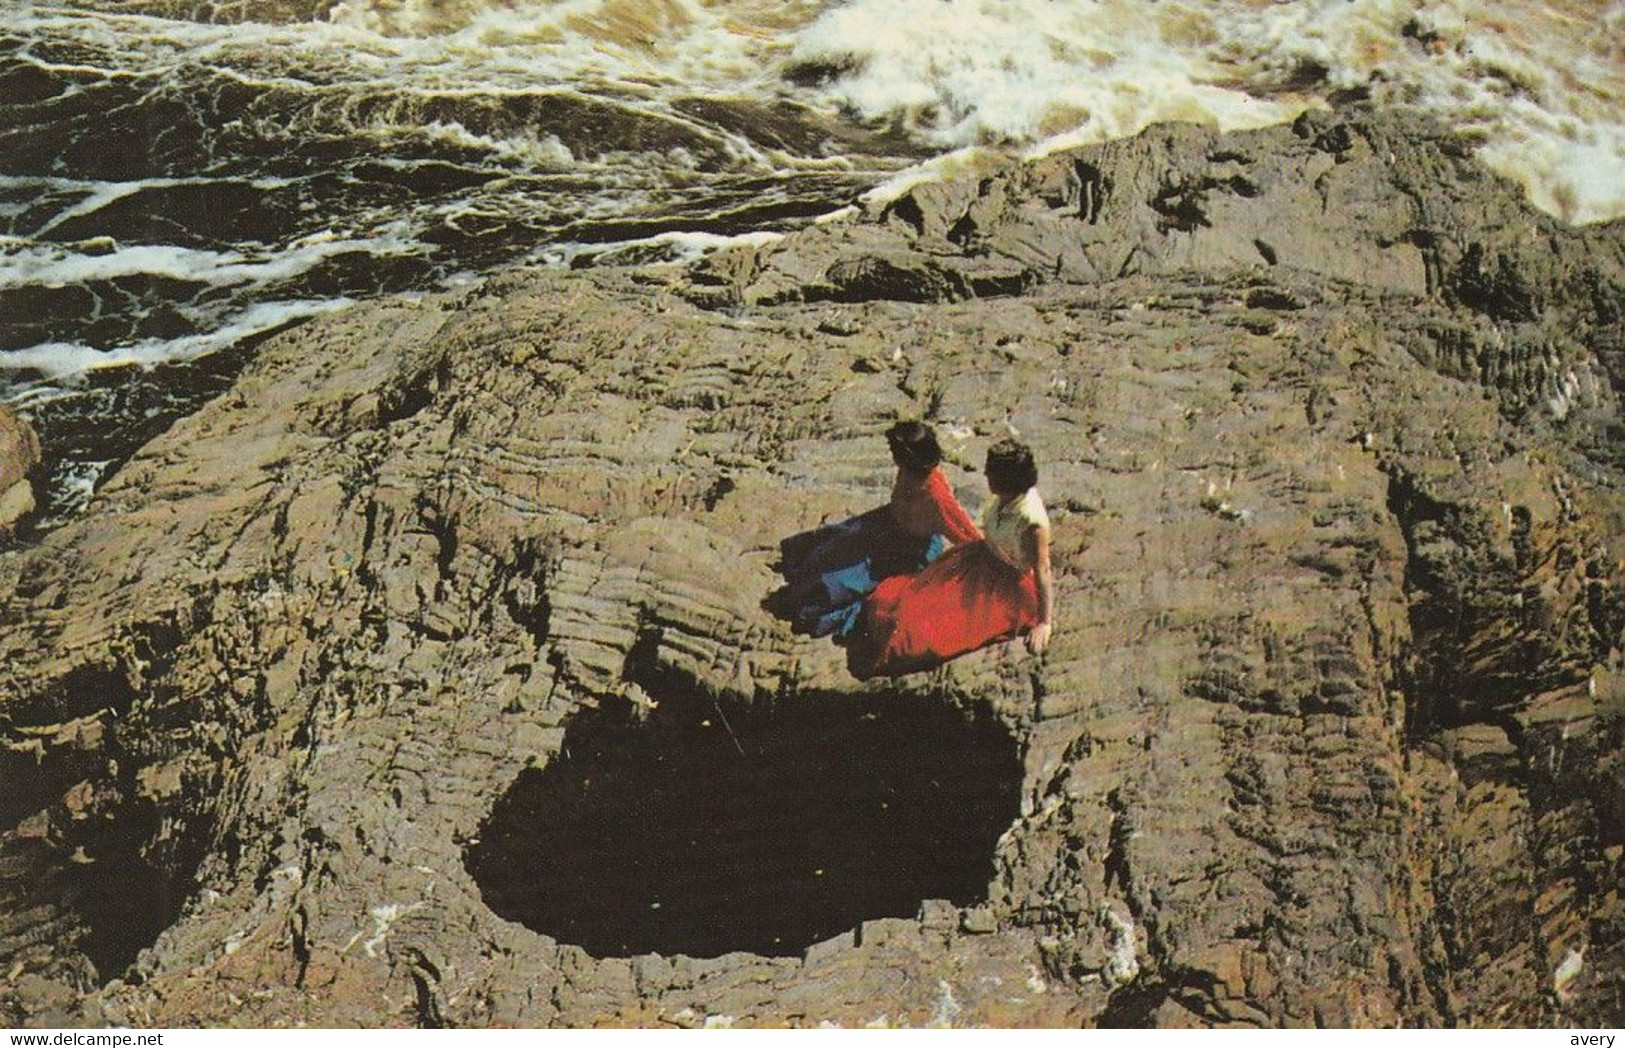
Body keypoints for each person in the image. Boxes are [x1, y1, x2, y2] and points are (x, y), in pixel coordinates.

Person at [850, 438, 1054, 679]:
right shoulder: (1003, 498)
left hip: (1004, 587)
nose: (986, 473)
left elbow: (1043, 569)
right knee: (902, 600)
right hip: (978, 560)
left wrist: (1044, 622)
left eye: (991, 471)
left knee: (924, 633)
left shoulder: (1032, 521)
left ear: (1006, 479)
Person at [772, 420, 981, 638]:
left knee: (836, 584)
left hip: (907, 551)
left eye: (895, 452)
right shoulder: (910, 471)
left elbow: (966, 535)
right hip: (886, 524)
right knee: (823, 551)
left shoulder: (937, 497)